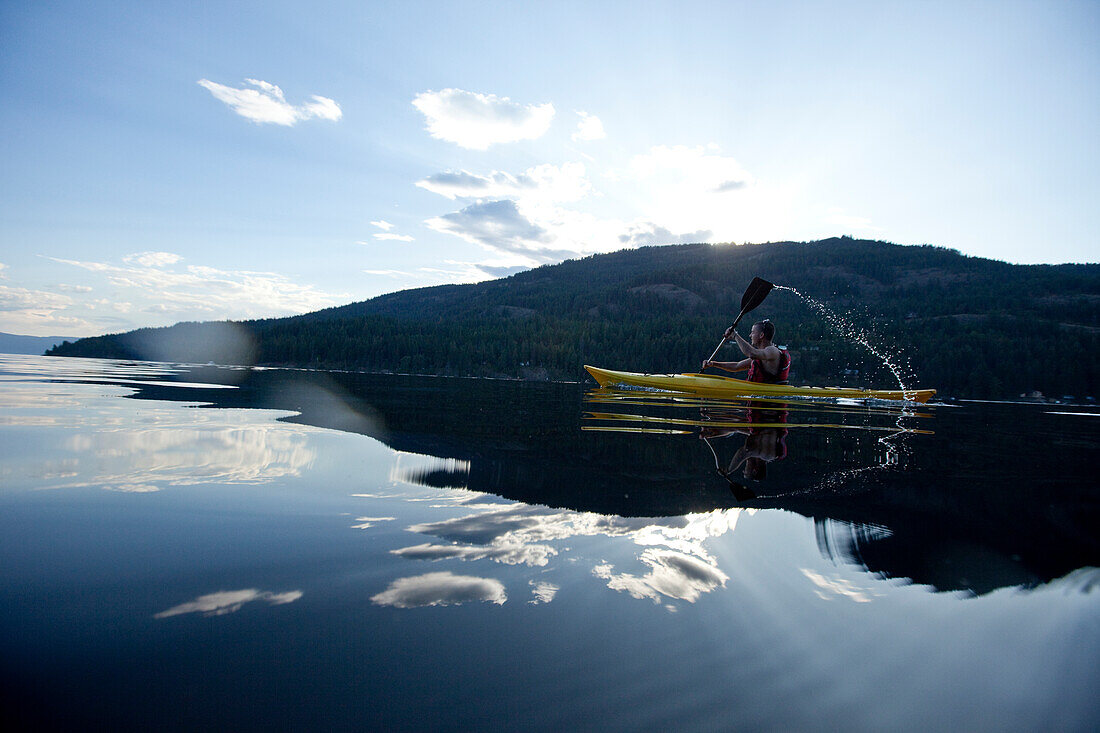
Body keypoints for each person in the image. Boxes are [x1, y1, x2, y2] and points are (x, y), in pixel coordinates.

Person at [701, 319, 791, 384]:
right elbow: (737, 366)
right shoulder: (761, 355)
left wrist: (735, 335)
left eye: (752, 332)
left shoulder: (772, 351)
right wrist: (713, 364)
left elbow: (751, 353)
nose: (750, 335)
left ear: (761, 335)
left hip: (770, 401)